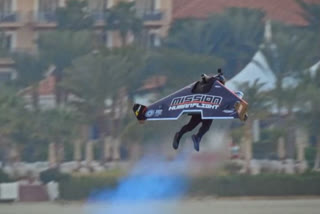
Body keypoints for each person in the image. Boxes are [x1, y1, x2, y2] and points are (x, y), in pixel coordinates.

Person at [172, 69, 226, 152]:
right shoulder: (213, 83)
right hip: (202, 108)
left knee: (202, 127)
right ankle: (181, 135)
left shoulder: (212, 85)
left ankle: (195, 137)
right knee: (192, 126)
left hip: (206, 109)